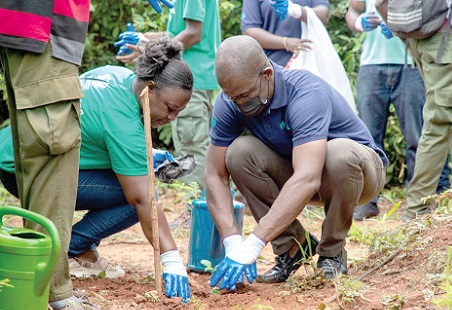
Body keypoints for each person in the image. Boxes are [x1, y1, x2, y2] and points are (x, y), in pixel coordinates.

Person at [0, 1, 172, 308]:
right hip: (42, 28)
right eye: (171, 108)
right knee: (56, 160)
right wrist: (171, 259)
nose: (171, 118)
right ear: (150, 89)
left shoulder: (117, 76)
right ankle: (53, 288)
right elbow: (143, 198)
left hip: (22, 25)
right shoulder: (125, 122)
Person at [205, 35, 388, 290]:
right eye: (231, 96)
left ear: (267, 74)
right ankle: (292, 248)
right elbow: (214, 175)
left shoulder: (305, 93)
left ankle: (332, 253)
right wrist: (233, 243)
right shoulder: (231, 101)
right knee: (238, 153)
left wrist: (255, 243)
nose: (239, 103)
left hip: (359, 172)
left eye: (245, 95)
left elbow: (307, 177)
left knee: (338, 153)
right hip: (302, 171)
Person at [375, 0, 452, 221]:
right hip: (444, 41)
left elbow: (380, 3)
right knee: (439, 120)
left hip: (421, 41)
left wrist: (406, 35)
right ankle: (416, 210)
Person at [345, 0, 451, 220]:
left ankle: (418, 202)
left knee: (417, 136)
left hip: (410, 63)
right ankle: (366, 201)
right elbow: (352, 11)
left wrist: (402, 28)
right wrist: (358, 23)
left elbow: (434, 17)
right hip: (371, 65)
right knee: (367, 138)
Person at [116, 0, 221, 193]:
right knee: (196, 145)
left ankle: (195, 210)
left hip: (187, 82)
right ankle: (203, 208)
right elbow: (175, 36)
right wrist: (144, 40)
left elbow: (193, 33)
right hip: (191, 80)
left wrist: (148, 51)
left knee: (191, 149)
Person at [241, 0, 329, 67]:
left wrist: (297, 11)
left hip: (311, 59)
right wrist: (285, 42)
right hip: (274, 66)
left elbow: (323, 15)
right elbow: (250, 30)